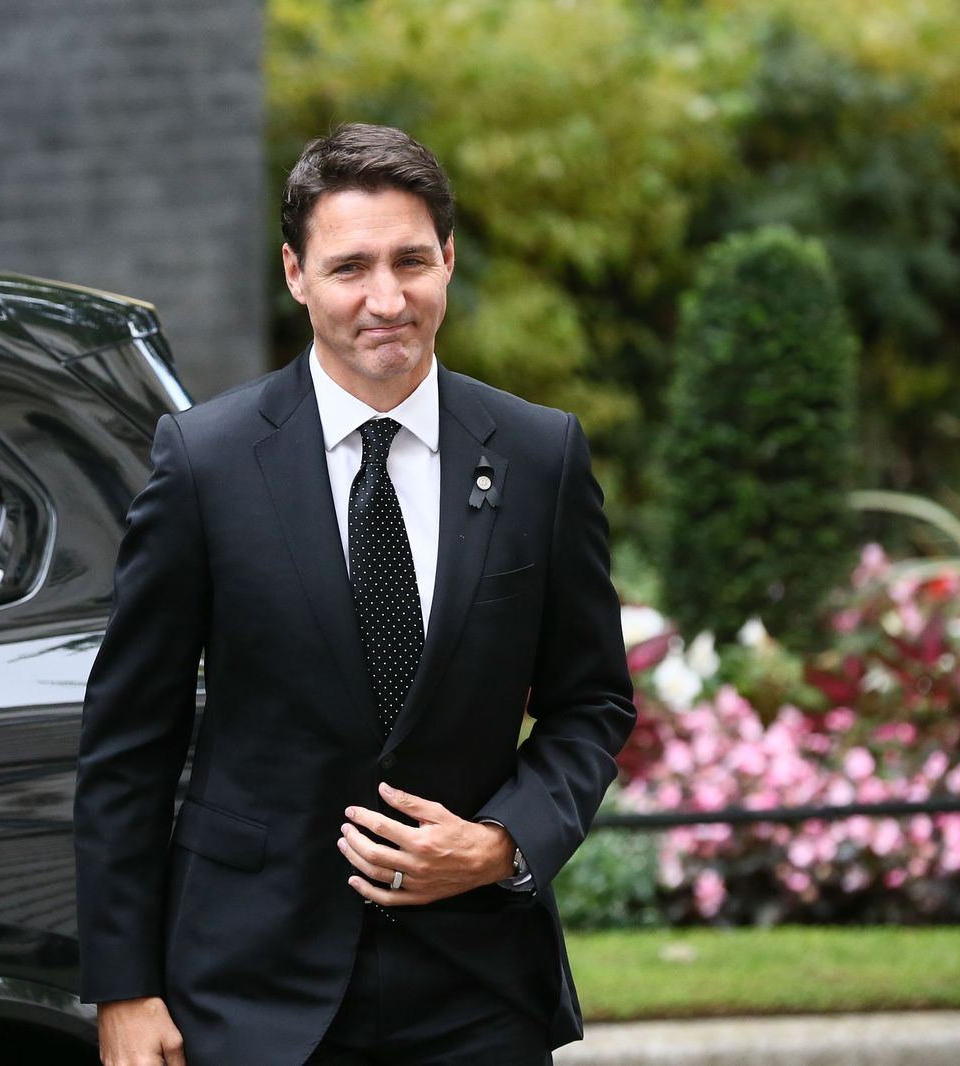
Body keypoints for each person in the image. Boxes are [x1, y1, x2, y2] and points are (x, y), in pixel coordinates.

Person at [74, 124, 635, 1065]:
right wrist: (125, 989)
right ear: (295, 274)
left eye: (413, 261)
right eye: (350, 268)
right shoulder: (204, 463)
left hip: (477, 988)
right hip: (248, 987)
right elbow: (130, 740)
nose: (387, 299)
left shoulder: (541, 455)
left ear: (449, 260)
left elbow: (592, 703)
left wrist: (502, 842)